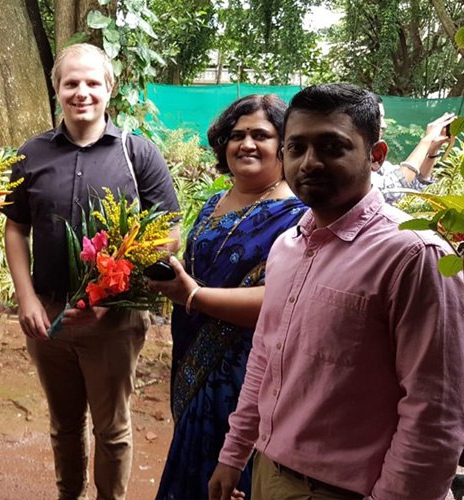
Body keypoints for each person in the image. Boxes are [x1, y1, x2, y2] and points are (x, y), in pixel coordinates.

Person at [208, 83, 464, 500]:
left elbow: (435, 416)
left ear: (376, 156)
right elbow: (265, 358)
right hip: (269, 475)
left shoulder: (413, 257)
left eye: (332, 146)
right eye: (296, 148)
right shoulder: (287, 247)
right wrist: (234, 453)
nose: (310, 162)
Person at [3, 43, 181, 500]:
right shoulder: (31, 155)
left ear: (109, 88)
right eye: (71, 83)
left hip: (114, 319)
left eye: (92, 83)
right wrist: (26, 299)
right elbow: (16, 229)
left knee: (112, 428)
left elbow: (168, 234)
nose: (82, 92)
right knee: (63, 425)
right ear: (57, 89)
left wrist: (111, 297)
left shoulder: (138, 154)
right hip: (49, 316)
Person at [147, 94, 306, 500]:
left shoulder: (299, 216)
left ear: (285, 145)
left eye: (261, 135)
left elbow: (283, 301)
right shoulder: (214, 202)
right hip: (191, 359)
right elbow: (192, 272)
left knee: (233, 472)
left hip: (247, 370)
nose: (246, 144)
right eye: (237, 135)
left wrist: (194, 295)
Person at [371, 96, 455, 204]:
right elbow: (390, 191)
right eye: (378, 118)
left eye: (383, 118)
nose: (384, 125)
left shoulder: (378, 165)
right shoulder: (352, 164)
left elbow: (414, 186)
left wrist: (433, 149)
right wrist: (426, 140)